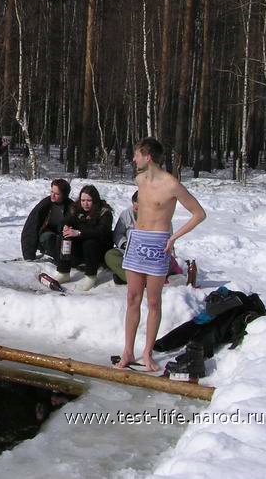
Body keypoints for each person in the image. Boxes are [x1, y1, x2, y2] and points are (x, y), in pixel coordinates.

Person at [116, 137, 206, 372]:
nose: (133, 159)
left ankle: (147, 353)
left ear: (148, 156)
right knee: (132, 298)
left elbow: (199, 213)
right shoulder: (139, 179)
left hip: (158, 244)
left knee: (154, 301)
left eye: (136, 154)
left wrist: (173, 237)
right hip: (137, 241)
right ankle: (128, 352)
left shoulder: (171, 184)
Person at [57, 185, 114, 291]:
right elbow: (66, 220)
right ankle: (63, 272)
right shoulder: (76, 208)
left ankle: (91, 276)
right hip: (80, 248)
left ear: (95, 200)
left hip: (99, 248)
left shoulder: (104, 212)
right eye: (83, 200)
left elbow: (101, 231)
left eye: (89, 200)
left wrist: (79, 233)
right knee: (66, 238)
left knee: (90, 242)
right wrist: (65, 226)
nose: (85, 203)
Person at [20, 178, 73, 260]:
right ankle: (57, 257)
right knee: (47, 237)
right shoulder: (44, 205)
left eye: (57, 194)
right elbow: (31, 228)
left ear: (64, 195)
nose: (52, 195)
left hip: (63, 237)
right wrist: (29, 255)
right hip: (46, 236)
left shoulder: (71, 206)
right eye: (52, 192)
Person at [104, 191, 139, 285]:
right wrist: (124, 244)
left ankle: (131, 278)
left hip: (148, 253)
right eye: (135, 205)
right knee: (110, 255)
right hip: (129, 251)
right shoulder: (126, 214)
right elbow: (117, 234)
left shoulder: (157, 215)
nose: (136, 208)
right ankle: (132, 279)